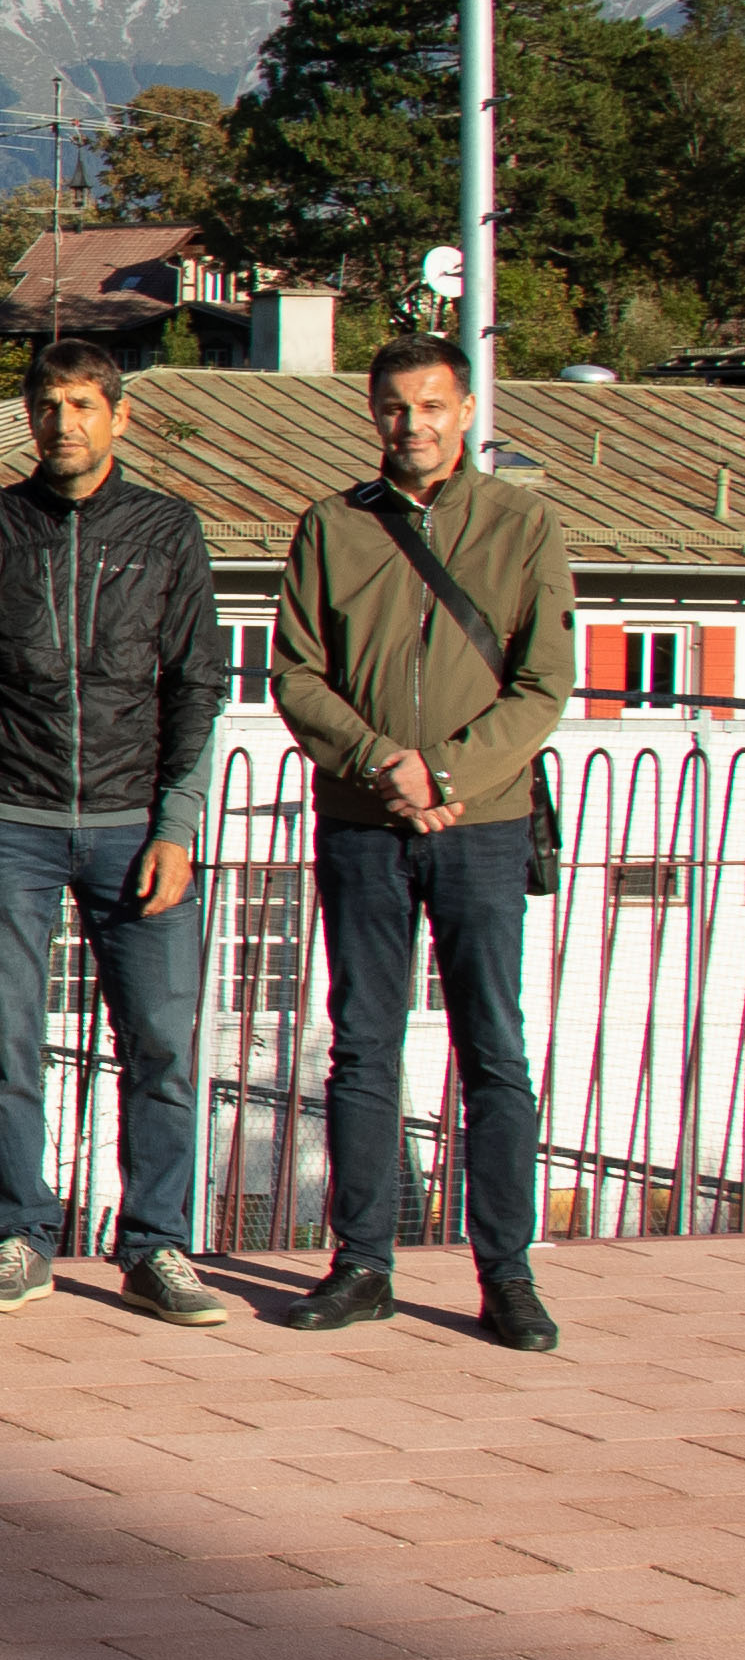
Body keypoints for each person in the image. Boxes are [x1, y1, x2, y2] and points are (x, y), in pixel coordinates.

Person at [268, 336, 570, 1353]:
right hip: (362, 824)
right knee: (361, 1048)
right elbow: (295, 674)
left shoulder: (522, 524)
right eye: (394, 408)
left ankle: (506, 1274)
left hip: (480, 825)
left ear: (467, 406)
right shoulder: (329, 527)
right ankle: (360, 1263)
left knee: (491, 1050)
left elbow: (541, 684)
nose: (413, 425)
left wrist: (441, 772)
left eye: (431, 405)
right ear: (372, 414)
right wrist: (375, 761)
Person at [0, 337, 231, 1327]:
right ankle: (17, 1235)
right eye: (46, 404)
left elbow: (195, 682)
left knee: (158, 1043)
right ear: (28, 417)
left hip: (133, 823)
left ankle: (156, 1246)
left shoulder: (165, 529)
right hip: (9, 819)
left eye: (81, 404)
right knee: (8, 1040)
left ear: (117, 416)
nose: (63, 422)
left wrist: (175, 824)